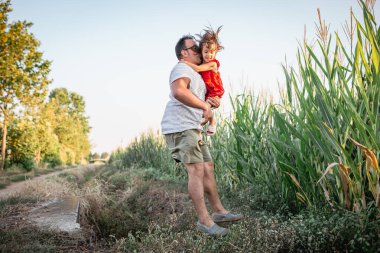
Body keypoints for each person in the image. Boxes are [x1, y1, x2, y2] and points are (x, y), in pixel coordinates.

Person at [161, 34, 243, 237]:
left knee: (207, 167)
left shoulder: (197, 75)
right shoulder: (182, 68)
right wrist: (204, 106)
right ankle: (205, 222)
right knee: (196, 169)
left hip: (192, 127)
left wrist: (211, 102)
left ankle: (219, 212)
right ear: (184, 53)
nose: (199, 50)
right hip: (180, 127)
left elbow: (203, 99)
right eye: (194, 48)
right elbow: (179, 91)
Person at [180, 26, 224, 136]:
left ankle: (212, 122)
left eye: (212, 52)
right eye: (206, 52)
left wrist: (184, 63)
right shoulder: (200, 63)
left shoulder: (213, 64)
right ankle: (204, 122)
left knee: (207, 106)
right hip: (207, 92)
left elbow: (199, 69)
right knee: (204, 108)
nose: (209, 55)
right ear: (201, 51)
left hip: (214, 90)